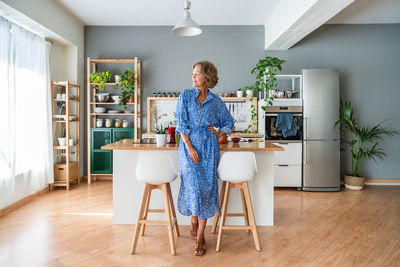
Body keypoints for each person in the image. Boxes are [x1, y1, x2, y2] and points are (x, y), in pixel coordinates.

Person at [176, 61, 234, 256]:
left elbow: (228, 121)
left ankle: (201, 236)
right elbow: (181, 123)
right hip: (188, 147)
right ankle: (194, 217)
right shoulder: (185, 95)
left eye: (197, 74)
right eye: (192, 74)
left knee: (207, 188)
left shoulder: (216, 101)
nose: (193, 77)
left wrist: (220, 133)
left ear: (207, 78)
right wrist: (190, 146)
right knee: (193, 185)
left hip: (209, 148)